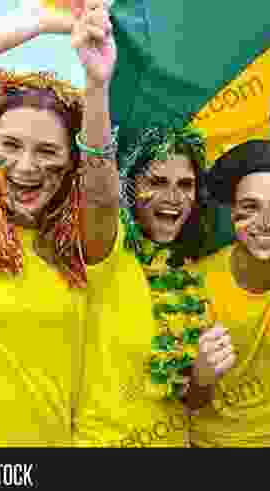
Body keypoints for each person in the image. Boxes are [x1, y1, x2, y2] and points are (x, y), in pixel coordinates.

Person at [0, 0, 124, 445]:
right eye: (10, 145)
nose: (26, 166)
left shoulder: (77, 246)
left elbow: (101, 190)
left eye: (47, 152)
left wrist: (97, 85)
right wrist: (36, 21)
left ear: (71, 164)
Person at [163, 138, 270, 447]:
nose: (265, 223)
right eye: (250, 207)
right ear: (232, 214)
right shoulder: (191, 283)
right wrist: (200, 377)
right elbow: (186, 402)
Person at [75, 124, 217, 447]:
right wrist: (98, 87)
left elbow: (192, 401)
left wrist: (204, 376)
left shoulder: (191, 275)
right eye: (156, 182)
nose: (173, 198)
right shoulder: (106, 250)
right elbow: (97, 189)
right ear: (128, 187)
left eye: (186, 185)